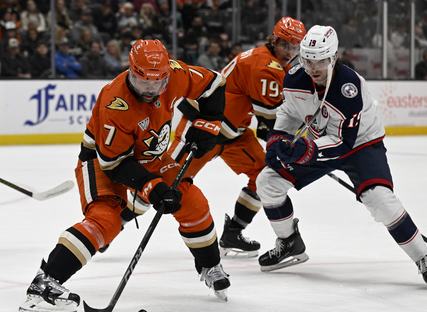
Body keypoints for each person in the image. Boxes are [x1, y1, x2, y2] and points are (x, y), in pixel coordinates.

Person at [19, 39, 230, 312]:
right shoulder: (115, 103)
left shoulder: (173, 74)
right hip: (102, 160)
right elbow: (115, 164)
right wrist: (152, 188)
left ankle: (210, 265)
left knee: (193, 202)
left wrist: (207, 124)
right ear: (131, 71)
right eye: (144, 81)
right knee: (105, 220)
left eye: (158, 81)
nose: (152, 88)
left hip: (151, 157)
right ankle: (44, 285)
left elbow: (215, 83)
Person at [255, 25, 427, 284]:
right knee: (268, 183)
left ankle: (423, 255)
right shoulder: (293, 77)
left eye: (321, 61)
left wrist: (305, 150)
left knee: (379, 198)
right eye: (308, 60)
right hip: (317, 143)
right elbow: (290, 112)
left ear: (333, 57)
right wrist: (278, 137)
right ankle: (290, 242)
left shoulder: (349, 87)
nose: (313, 68)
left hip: (360, 145)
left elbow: (342, 143)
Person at [122, 17, 306, 258]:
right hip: (203, 130)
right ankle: (117, 221)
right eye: (285, 44)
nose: (289, 51)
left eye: (295, 46)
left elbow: (267, 118)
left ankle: (233, 233)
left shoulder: (273, 63)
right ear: (274, 40)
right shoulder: (265, 66)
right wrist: (291, 143)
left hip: (234, 134)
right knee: (162, 182)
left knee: (264, 176)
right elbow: (270, 120)